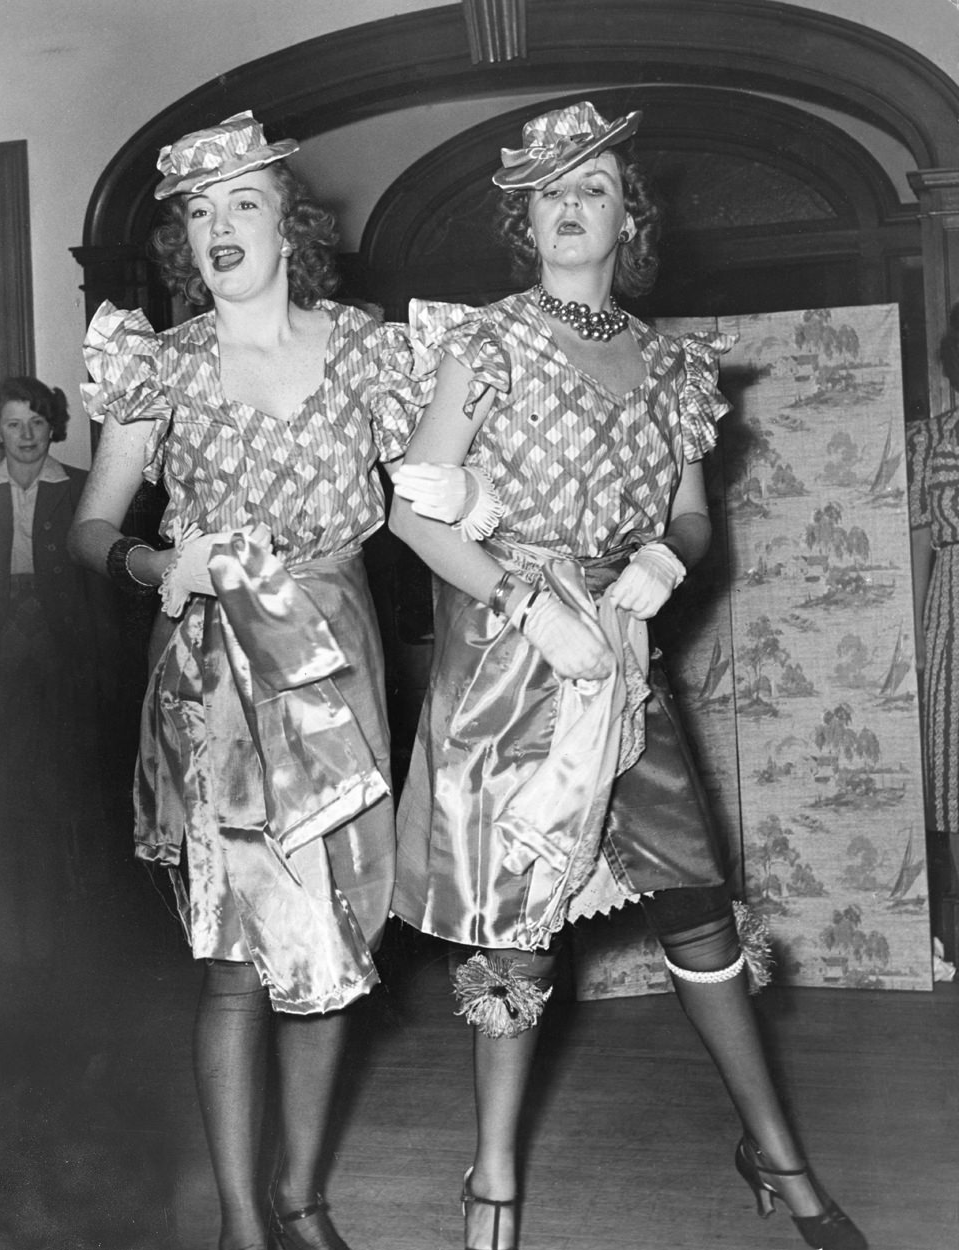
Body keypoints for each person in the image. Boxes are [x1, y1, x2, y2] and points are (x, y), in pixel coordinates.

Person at [388, 101, 866, 1250]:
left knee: (698, 906)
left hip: (622, 651)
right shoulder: (483, 341)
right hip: (513, 663)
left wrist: (666, 553)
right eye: (547, 189)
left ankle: (775, 1148)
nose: (567, 204)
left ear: (628, 216)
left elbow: (694, 518)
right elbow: (414, 512)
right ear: (525, 218)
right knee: (519, 929)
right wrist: (519, 602)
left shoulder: (669, 362)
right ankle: (492, 1176)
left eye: (591, 185)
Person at [68, 112, 424, 1250]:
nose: (219, 229)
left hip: (339, 662)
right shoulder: (156, 362)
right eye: (198, 212)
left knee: (330, 953)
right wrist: (155, 559)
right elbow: (90, 526)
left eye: (244, 204)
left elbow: (432, 505)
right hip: (216, 680)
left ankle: (304, 1194)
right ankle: (241, 1221)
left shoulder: (370, 350)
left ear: (290, 221)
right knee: (232, 955)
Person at [0, 376, 118, 960]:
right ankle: (5, 936)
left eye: (37, 422)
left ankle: (68, 930)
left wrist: (107, 673)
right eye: (13, 424)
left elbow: (101, 594)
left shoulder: (84, 491)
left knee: (63, 791)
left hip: (63, 661)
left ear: (52, 427)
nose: (26, 435)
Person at [908, 303, 959, 946]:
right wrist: (919, 642)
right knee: (954, 772)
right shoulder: (933, 437)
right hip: (953, 604)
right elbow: (921, 538)